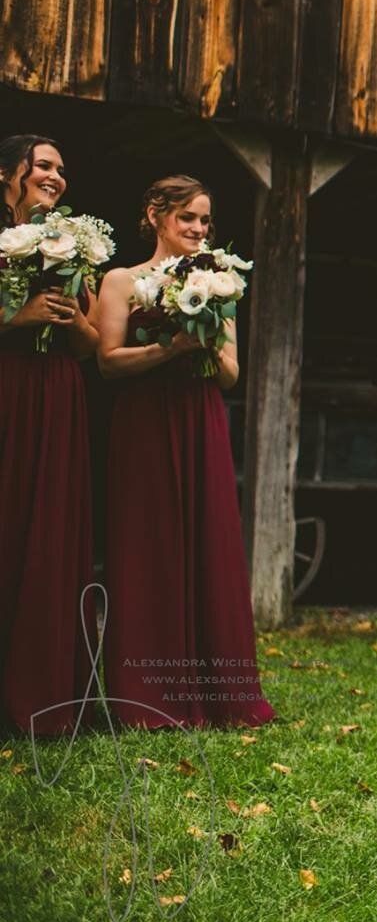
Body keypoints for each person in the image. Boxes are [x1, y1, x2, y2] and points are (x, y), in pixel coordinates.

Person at [96, 176, 274, 728]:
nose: (198, 229)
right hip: (143, 424)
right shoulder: (121, 281)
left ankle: (220, 695)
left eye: (205, 221)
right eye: (187, 218)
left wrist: (204, 347)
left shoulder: (220, 284)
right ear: (156, 215)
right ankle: (147, 697)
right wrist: (167, 347)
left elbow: (230, 374)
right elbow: (107, 363)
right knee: (147, 543)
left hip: (200, 421)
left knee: (207, 541)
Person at [0, 135, 99, 735]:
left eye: (62, 168)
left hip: (58, 396)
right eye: (43, 166)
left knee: (48, 529)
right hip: (8, 388)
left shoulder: (71, 246)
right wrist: (17, 317)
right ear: (8, 172)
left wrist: (74, 320)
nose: (57, 176)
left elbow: (89, 349)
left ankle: (42, 688)